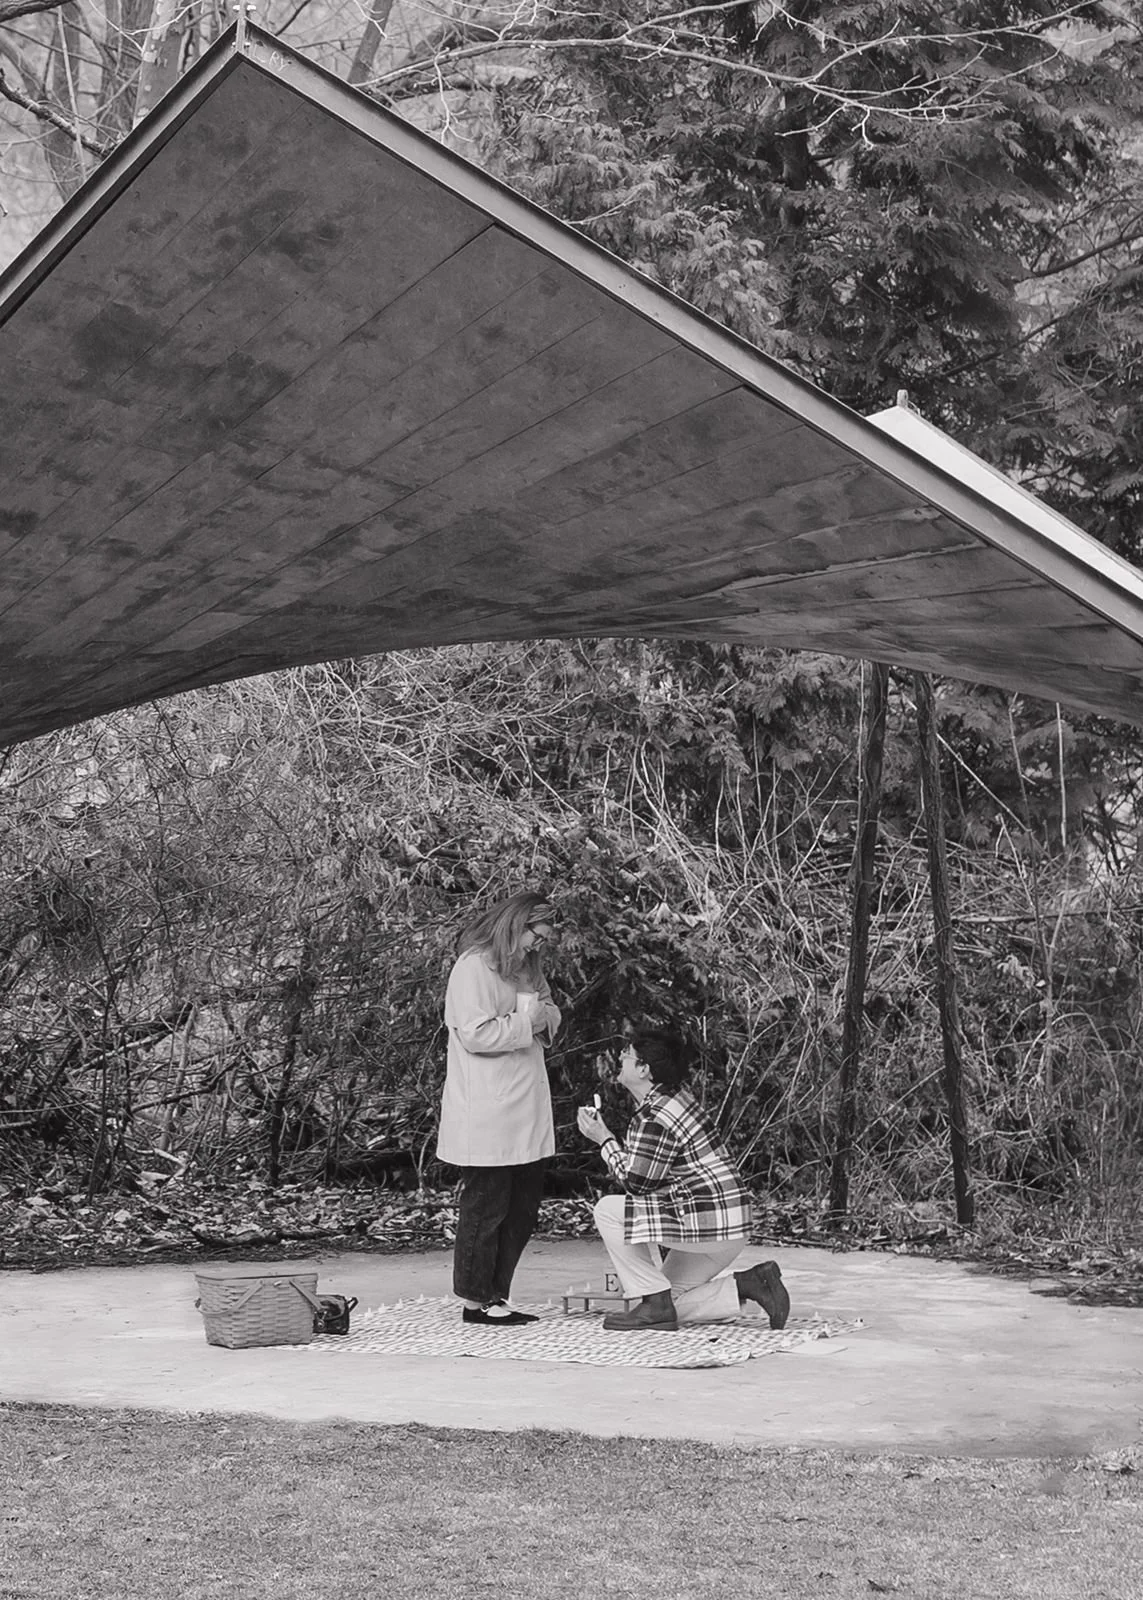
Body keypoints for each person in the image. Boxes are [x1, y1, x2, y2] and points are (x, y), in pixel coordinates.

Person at [577, 1028, 790, 1332]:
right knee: (671, 1306)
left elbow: (637, 1184)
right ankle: (751, 1283)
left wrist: (604, 1139)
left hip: (709, 1225)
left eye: (627, 1054)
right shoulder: (676, 1099)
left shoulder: (654, 1118)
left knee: (608, 1210)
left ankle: (653, 1301)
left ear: (644, 1069)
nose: (621, 1058)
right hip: (728, 1226)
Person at [437, 891, 561, 1327]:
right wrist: (529, 1022)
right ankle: (475, 1302)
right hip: (487, 1109)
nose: (538, 947)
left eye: (544, 941)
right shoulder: (473, 968)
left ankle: (497, 1294)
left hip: (526, 1106)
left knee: (523, 1209)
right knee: (486, 1208)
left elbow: (550, 1010)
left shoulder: (528, 968)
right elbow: (474, 1034)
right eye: (536, 938)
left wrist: (541, 1018)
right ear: (517, 925)